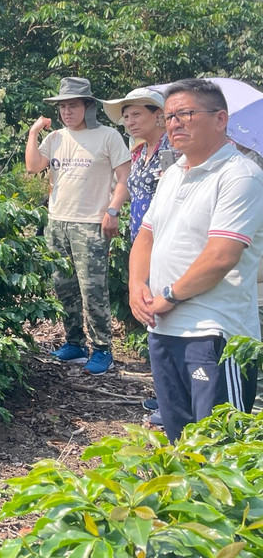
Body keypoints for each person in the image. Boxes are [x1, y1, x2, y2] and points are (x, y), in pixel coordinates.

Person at [128, 78, 263, 441]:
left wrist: (168, 296)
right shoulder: (173, 173)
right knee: (180, 440)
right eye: (169, 116)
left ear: (220, 120)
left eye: (186, 114)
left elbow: (221, 256)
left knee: (221, 449)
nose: (174, 123)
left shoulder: (241, 175)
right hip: (165, 328)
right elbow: (146, 235)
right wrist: (136, 287)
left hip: (215, 333)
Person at [26, 77, 130, 375]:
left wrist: (113, 210)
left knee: (93, 289)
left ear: (88, 105)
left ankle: (102, 349)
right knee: (63, 286)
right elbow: (33, 166)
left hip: (91, 223)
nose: (67, 112)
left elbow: (124, 178)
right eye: (62, 107)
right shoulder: (56, 138)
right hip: (57, 221)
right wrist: (34, 132)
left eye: (73, 105)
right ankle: (74, 342)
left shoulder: (108, 136)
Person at [101, 88, 172, 241]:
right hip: (140, 234)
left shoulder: (174, 149)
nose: (130, 122)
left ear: (158, 114)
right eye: (126, 117)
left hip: (166, 235)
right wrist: (113, 210)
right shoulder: (138, 152)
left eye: (136, 115)